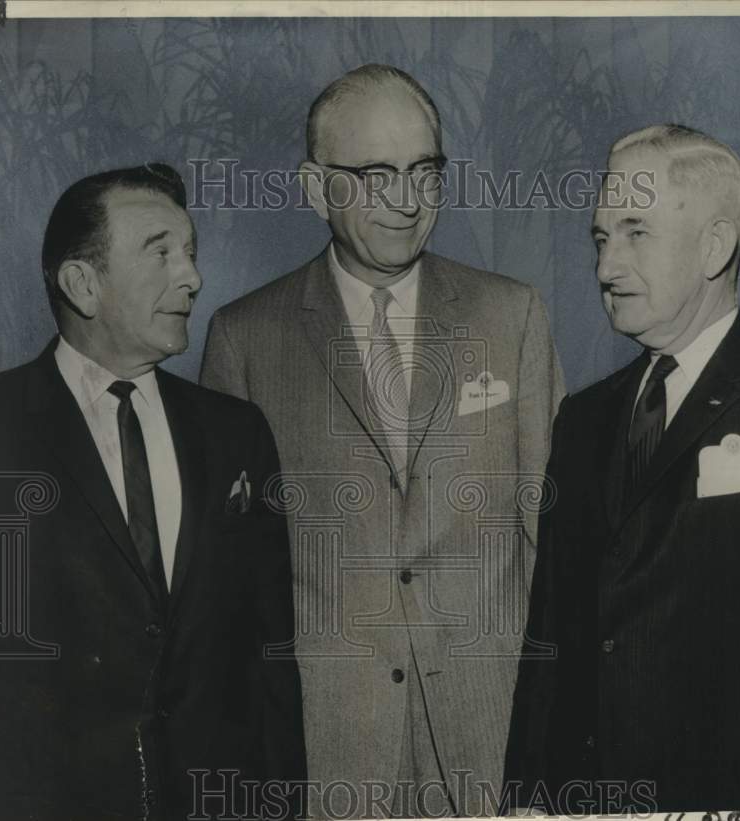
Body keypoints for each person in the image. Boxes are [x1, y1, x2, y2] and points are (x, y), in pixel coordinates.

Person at [201, 64, 565, 818]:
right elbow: (228, 587)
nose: (407, 201)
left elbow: (551, 539)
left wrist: (551, 741)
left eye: (424, 172)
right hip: (329, 744)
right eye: (375, 176)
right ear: (315, 189)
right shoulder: (244, 339)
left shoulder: (512, 315)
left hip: (491, 733)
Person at [504, 124, 740, 813]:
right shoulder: (583, 419)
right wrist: (527, 797)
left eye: (636, 234)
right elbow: (551, 641)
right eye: (601, 238)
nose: (607, 267)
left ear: (715, 246)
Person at [0, 164, 306, 821]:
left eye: (191, 252)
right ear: (83, 284)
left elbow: (271, 664)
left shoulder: (238, 433)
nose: (192, 277)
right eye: (161, 252)